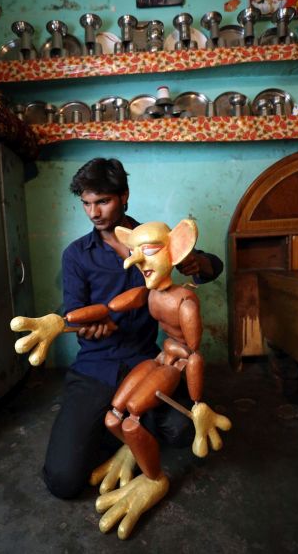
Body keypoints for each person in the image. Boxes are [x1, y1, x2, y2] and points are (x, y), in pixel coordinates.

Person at [42, 157, 223, 499]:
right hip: (96, 367)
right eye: (86, 204)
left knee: (183, 431)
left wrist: (200, 264)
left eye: (103, 201)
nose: (94, 212)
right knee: (63, 481)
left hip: (146, 362)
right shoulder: (77, 255)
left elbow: (213, 266)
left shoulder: (153, 239)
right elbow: (75, 312)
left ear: (124, 196)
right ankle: (120, 428)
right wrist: (84, 327)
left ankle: (126, 430)